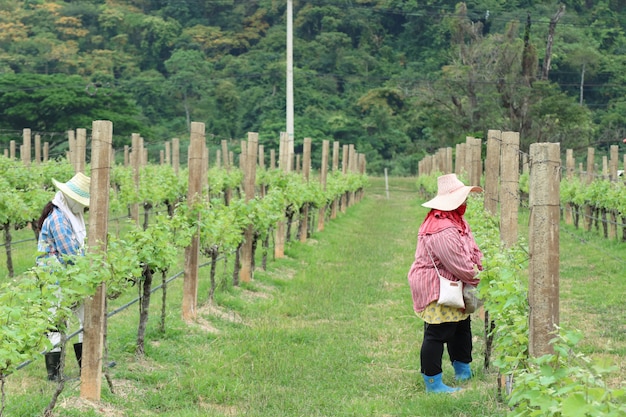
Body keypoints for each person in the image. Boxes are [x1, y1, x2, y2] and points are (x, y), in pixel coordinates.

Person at [407, 173, 483, 393]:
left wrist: (484, 266)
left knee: (461, 327)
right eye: (463, 197)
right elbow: (457, 262)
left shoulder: (456, 220)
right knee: (438, 332)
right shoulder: (441, 228)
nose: (466, 201)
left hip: (452, 284)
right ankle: (433, 383)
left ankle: (463, 371)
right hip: (437, 286)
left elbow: (472, 248)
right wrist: (480, 279)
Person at [35, 172, 90, 381]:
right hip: (55, 280)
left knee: (85, 319)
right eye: (81, 202)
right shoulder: (59, 219)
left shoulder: (70, 214)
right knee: (55, 323)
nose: (83, 207)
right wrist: (90, 276)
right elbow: (71, 255)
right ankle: (54, 375)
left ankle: (88, 367)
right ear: (71, 199)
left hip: (69, 278)